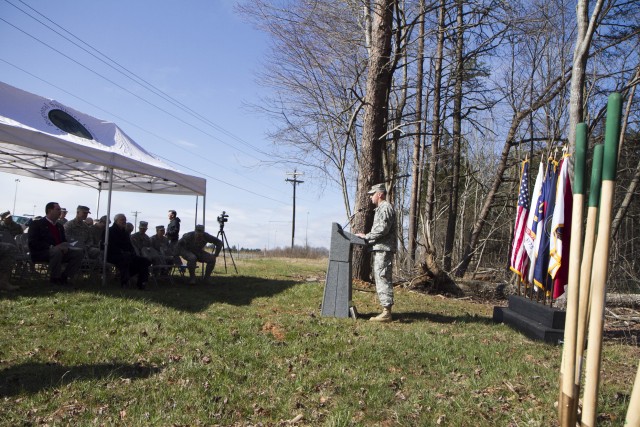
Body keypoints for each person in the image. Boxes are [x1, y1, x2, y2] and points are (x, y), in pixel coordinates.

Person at [357, 183, 397, 322]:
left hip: (383, 249)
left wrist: (366, 236)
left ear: (379, 194)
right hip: (380, 248)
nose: (370, 197)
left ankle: (386, 313)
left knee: (383, 278)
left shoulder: (386, 207)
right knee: (380, 277)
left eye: (372, 194)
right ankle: (386, 310)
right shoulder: (380, 208)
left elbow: (383, 229)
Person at [27, 202, 83, 285]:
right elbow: (33, 242)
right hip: (42, 252)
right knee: (56, 251)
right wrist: (52, 247)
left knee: (78, 252)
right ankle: (55, 278)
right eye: (58, 209)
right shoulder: (37, 224)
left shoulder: (59, 226)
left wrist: (65, 245)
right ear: (50, 211)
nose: (60, 211)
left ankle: (65, 277)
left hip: (59, 251)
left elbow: (63, 240)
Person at [106, 213, 150, 290]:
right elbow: (109, 246)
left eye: (125, 220)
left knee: (145, 261)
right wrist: (121, 252)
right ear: (116, 221)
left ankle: (142, 283)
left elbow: (130, 246)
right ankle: (124, 283)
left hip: (127, 255)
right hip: (113, 255)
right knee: (125, 259)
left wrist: (132, 253)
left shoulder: (125, 233)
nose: (124, 221)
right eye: (122, 220)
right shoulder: (109, 231)